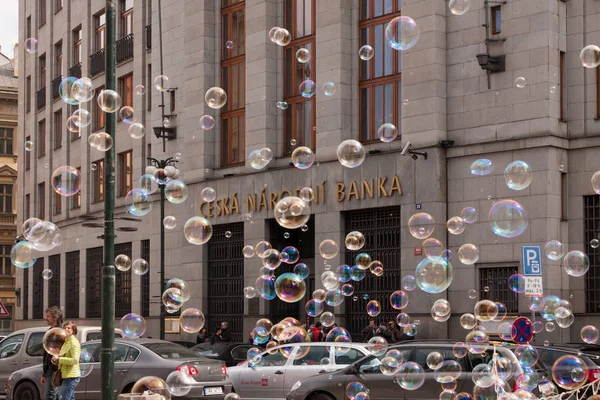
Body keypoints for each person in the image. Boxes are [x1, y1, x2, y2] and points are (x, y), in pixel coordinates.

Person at [52, 321, 81, 400]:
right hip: (67, 376)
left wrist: (59, 359)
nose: (66, 329)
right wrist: (56, 360)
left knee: (64, 398)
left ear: (73, 330)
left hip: (71, 376)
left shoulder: (74, 342)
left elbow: (75, 360)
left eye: (69, 328)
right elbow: (63, 357)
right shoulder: (66, 342)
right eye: (64, 328)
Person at [41, 306, 63, 400]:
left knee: (50, 396)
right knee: (55, 395)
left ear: (55, 318)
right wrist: (44, 373)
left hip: (54, 367)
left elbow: (55, 351)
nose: (46, 318)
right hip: (50, 368)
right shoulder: (51, 330)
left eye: (48, 316)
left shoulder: (58, 332)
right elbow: (47, 352)